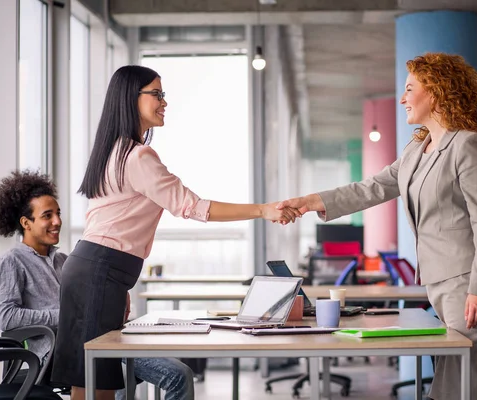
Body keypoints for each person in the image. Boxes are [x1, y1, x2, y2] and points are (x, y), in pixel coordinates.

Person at [277, 53, 477, 400]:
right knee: (456, 379)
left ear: (436, 92)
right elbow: (371, 188)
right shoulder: (416, 150)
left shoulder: (467, 145)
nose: (403, 98)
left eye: (409, 89)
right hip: (441, 283)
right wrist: (309, 201)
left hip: (471, 284)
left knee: (472, 382)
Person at [50, 65, 300, 400]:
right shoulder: (137, 156)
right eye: (157, 94)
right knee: (99, 382)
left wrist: (118, 284)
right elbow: (193, 206)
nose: (164, 101)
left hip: (93, 267)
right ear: (130, 98)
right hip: (100, 269)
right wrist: (263, 210)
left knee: (89, 378)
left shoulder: (112, 151)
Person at [0, 170, 194, 400]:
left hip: (97, 337)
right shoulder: (10, 262)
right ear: (26, 222)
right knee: (174, 377)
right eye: (47, 215)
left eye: (58, 213)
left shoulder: (65, 261)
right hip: (58, 353)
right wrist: (68, 316)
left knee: (158, 374)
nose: (57, 221)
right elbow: (7, 317)